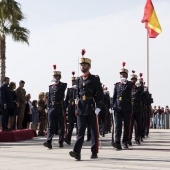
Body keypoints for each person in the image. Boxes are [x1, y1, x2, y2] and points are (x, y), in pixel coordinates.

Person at [69, 49, 104, 160]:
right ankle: (77, 152)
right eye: (81, 65)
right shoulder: (79, 79)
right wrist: (76, 105)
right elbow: (78, 94)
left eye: (84, 65)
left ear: (89, 66)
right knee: (80, 131)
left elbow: (100, 94)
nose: (82, 67)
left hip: (91, 106)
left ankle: (94, 152)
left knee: (93, 131)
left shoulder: (94, 79)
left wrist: (98, 106)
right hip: (81, 108)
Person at [43, 65, 67, 149]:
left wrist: (57, 82)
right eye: (54, 76)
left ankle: (61, 141)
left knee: (61, 126)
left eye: (57, 76)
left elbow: (62, 88)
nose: (55, 77)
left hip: (59, 107)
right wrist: (47, 107)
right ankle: (48, 141)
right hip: (52, 108)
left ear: (60, 77)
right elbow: (49, 97)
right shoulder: (50, 87)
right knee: (51, 126)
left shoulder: (63, 85)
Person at [112, 62, 133, 150]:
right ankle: (117, 142)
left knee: (127, 126)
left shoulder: (129, 84)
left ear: (127, 76)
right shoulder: (117, 85)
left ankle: (125, 141)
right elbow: (114, 97)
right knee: (118, 125)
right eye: (121, 74)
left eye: (124, 74)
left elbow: (130, 88)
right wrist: (112, 107)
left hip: (127, 107)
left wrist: (125, 82)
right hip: (118, 107)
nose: (122, 75)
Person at [128, 71, 143, 145]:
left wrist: (141, 82)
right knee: (130, 125)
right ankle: (129, 139)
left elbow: (142, 91)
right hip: (130, 107)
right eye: (132, 79)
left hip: (138, 108)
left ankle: (137, 138)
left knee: (138, 125)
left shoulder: (139, 88)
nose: (133, 80)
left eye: (134, 79)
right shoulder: (128, 86)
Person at [64, 71, 77, 145]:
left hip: (77, 108)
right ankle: (68, 138)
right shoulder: (69, 89)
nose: (73, 82)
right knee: (71, 124)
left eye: (74, 81)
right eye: (72, 81)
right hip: (71, 108)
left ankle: (79, 139)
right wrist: (65, 108)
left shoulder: (78, 88)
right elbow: (66, 99)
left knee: (79, 125)